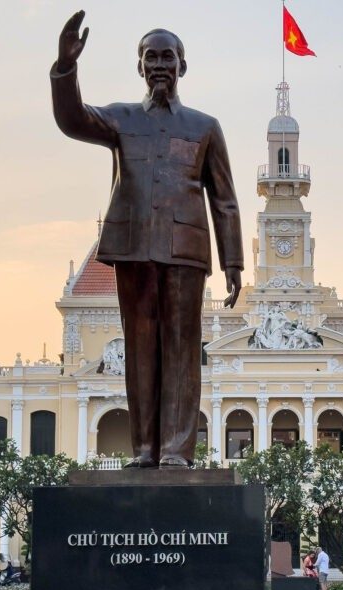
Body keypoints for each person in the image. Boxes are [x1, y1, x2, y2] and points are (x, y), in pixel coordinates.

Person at [51, 11, 244, 468]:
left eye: (168, 57)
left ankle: (177, 452)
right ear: (140, 66)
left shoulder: (204, 126)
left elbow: (225, 198)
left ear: (182, 66)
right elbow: (72, 118)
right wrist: (65, 67)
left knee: (181, 347)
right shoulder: (121, 119)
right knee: (140, 348)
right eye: (151, 57)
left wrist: (233, 260)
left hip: (186, 252)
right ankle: (143, 451)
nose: (160, 65)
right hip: (135, 247)